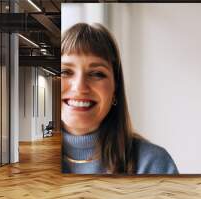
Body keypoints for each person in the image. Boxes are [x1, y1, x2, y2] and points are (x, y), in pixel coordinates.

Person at [61, 23, 178, 174]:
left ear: (115, 88)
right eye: (65, 71)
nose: (80, 87)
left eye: (97, 74)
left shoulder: (153, 163)